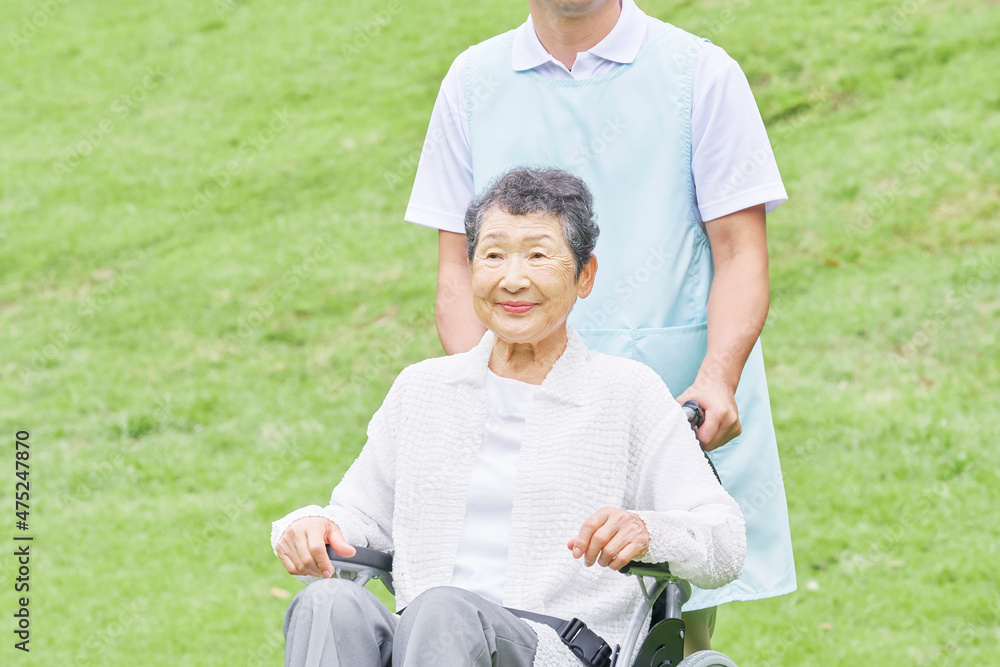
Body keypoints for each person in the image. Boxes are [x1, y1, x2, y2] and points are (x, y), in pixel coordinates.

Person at [404, 0, 796, 652]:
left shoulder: (700, 75)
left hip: (669, 414)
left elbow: (740, 253)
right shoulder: (472, 83)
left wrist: (717, 379)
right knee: (500, 623)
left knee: (667, 636)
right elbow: (455, 269)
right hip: (522, 416)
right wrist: (487, 393)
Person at [272, 168, 745, 666]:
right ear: (472, 268)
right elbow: (360, 517)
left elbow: (725, 540)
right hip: (424, 641)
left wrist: (649, 530)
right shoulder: (422, 390)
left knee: (444, 609)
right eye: (493, 255)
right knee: (328, 602)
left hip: (556, 649)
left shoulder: (626, 394)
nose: (512, 279)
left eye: (538, 255)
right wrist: (315, 526)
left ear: (585, 275)